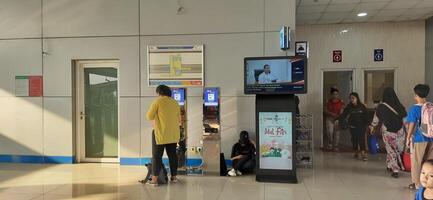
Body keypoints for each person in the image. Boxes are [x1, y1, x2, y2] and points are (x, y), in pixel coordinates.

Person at [146, 85, 181, 186]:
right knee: (172, 156)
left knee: (157, 156)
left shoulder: (158, 101)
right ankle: (174, 177)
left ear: (159, 93)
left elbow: (149, 116)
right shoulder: (175, 102)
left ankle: (154, 180)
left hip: (160, 133)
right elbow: (179, 118)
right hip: (173, 134)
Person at [370, 87, 407, 178]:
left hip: (387, 132)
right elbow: (405, 120)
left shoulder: (380, 107)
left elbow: (376, 119)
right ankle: (395, 169)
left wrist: (373, 127)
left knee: (391, 150)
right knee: (396, 150)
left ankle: (389, 164)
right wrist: (409, 132)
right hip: (400, 132)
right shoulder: (399, 105)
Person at [406, 84, 433, 189]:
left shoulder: (414, 108)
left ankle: (417, 184)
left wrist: (408, 138)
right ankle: (430, 183)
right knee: (430, 161)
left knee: (417, 161)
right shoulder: (431, 106)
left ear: (416, 95)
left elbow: (411, 125)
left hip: (420, 138)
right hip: (431, 138)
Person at [337, 92, 369, 161]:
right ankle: (356, 152)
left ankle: (363, 154)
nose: (351, 99)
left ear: (357, 98)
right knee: (354, 139)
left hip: (361, 126)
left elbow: (366, 116)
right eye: (350, 98)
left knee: (361, 139)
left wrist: (369, 124)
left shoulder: (362, 106)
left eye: (353, 98)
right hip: (352, 126)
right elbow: (344, 115)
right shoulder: (349, 106)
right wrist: (337, 119)